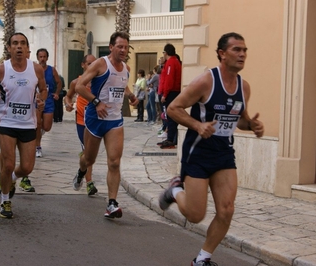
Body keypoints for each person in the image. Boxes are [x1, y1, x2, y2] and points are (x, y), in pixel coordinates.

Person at [158, 32, 264, 266]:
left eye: (245, 50)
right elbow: (173, 108)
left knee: (226, 210)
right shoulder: (206, 81)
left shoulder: (243, 87)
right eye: (237, 49)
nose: (242, 54)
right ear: (222, 54)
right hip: (198, 153)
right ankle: (175, 190)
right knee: (196, 215)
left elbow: (240, 120)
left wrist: (253, 126)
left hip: (224, 153)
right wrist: (197, 125)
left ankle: (202, 259)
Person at [0, 32, 47, 219]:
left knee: (27, 168)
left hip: (28, 124)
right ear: (9, 48)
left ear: (27, 48)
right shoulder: (1, 70)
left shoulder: (36, 70)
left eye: (23, 43)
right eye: (15, 43)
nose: (19, 46)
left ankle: (8, 179)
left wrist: (41, 100)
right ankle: (4, 201)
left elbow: (43, 90)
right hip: (7, 122)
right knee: (9, 163)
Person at [74, 32, 138, 218]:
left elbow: (121, 86)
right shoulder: (101, 64)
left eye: (126, 47)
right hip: (95, 119)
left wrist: (130, 95)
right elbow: (79, 86)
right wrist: (96, 102)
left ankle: (111, 203)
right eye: (119, 46)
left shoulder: (126, 68)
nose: (123, 50)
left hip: (114, 121)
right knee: (89, 159)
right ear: (111, 47)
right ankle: (81, 171)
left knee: (114, 162)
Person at [65, 54, 98, 196]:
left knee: (90, 154)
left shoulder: (100, 81)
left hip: (97, 120)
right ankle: (89, 183)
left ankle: (80, 173)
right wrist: (68, 104)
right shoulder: (76, 82)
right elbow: (67, 96)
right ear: (83, 65)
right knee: (87, 152)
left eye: (94, 63)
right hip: (82, 122)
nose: (92, 66)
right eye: (89, 63)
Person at [35, 48, 62, 158]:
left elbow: (59, 82)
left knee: (46, 127)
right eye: (40, 57)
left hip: (49, 100)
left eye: (44, 57)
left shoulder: (51, 70)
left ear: (47, 58)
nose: (42, 59)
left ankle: (39, 132)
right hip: (37, 100)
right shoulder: (33, 69)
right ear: (37, 58)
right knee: (37, 124)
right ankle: (37, 147)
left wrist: (56, 93)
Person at [158, 43, 182, 149]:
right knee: (169, 116)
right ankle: (170, 138)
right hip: (172, 92)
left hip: (171, 92)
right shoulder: (172, 62)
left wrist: (165, 94)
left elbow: (169, 80)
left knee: (170, 116)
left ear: (166, 52)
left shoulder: (171, 63)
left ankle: (171, 139)